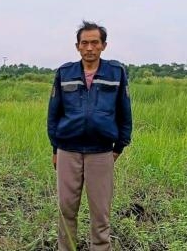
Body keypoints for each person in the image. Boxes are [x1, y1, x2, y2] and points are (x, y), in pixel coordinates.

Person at [47, 21, 133, 251]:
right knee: (66, 210)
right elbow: (54, 113)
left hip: (101, 151)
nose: (89, 48)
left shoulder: (116, 73)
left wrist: (119, 147)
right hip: (68, 150)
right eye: (84, 43)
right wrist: (56, 149)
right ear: (77, 46)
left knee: (100, 213)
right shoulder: (65, 73)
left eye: (95, 42)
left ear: (103, 45)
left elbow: (125, 112)